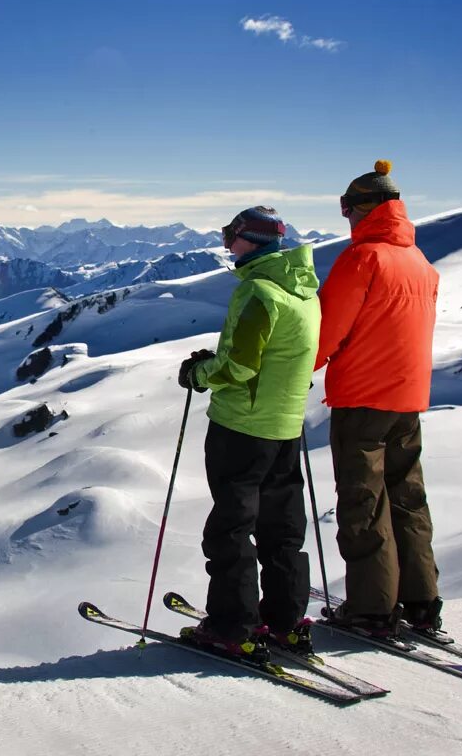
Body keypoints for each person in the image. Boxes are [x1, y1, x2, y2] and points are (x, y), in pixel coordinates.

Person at [176, 206, 321, 662]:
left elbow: (239, 366)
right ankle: (286, 622)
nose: (225, 244)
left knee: (231, 529)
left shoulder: (258, 291)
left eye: (229, 234)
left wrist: (199, 373)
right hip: (285, 427)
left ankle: (233, 626)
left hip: (241, 428)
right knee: (282, 528)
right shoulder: (303, 292)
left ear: (250, 238)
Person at [315, 160, 444, 635]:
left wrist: (300, 367)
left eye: (347, 208)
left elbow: (328, 331)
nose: (346, 218)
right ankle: (422, 601)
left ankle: (372, 609)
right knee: (408, 498)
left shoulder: (363, 258)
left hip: (362, 398)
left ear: (365, 209)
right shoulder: (420, 262)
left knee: (363, 502)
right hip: (407, 399)